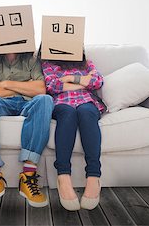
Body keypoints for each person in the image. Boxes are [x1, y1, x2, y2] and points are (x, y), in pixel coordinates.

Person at [0, 51, 54, 209]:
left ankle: (28, 176)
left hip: (29, 103)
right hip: (2, 104)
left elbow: (40, 89)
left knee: (45, 100)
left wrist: (5, 84)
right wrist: (25, 87)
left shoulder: (31, 61)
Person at [40, 48, 105, 211]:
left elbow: (97, 82)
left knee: (86, 112)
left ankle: (93, 177)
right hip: (61, 104)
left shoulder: (87, 63)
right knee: (68, 113)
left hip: (87, 103)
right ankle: (63, 177)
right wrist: (82, 81)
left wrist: (68, 79)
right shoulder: (48, 64)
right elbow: (53, 86)